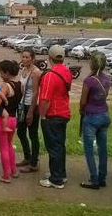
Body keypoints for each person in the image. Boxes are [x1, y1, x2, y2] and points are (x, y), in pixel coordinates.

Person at [38, 45, 72, 189]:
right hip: (64, 112)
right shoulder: (66, 71)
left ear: (49, 58)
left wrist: (43, 116)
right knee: (60, 146)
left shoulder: (50, 76)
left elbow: (45, 99)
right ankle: (60, 173)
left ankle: (56, 179)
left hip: (53, 115)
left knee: (53, 147)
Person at [79, 52, 111, 189]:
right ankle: (102, 177)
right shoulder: (107, 79)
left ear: (92, 63)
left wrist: (82, 110)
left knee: (89, 149)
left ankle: (94, 179)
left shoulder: (89, 80)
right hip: (104, 114)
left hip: (92, 116)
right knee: (102, 148)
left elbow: (83, 101)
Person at [0, 60, 22, 184]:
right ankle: (13, 170)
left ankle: (6, 175)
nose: (1, 75)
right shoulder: (19, 85)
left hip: (2, 120)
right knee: (9, 145)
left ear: (7, 73)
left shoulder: (5, 86)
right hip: (13, 119)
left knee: (3, 148)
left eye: (1, 72)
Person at [16, 49, 42, 173]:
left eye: (27, 57)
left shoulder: (36, 72)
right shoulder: (23, 70)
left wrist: (31, 111)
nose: (24, 59)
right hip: (22, 104)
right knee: (20, 132)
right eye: (23, 57)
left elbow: (36, 92)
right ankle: (27, 156)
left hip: (32, 106)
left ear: (32, 58)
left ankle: (34, 163)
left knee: (33, 134)